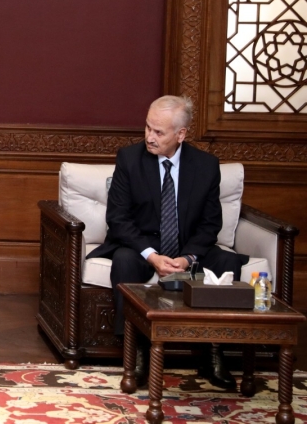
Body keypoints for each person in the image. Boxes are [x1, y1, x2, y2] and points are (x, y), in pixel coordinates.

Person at [88, 95, 247, 389]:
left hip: (186, 247)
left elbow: (210, 224)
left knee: (226, 260)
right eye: (148, 127)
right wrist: (151, 256)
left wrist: (187, 259)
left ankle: (213, 350)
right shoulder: (129, 159)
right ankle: (137, 350)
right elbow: (119, 219)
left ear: (181, 134)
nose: (150, 137)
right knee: (124, 260)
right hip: (142, 246)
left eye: (159, 132)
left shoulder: (206, 166)